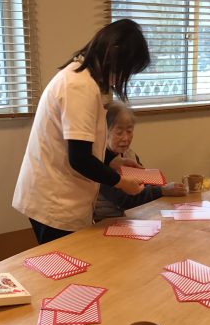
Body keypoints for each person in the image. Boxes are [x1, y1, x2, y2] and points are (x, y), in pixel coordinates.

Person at [13, 19, 151, 244]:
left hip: (58, 195)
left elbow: (84, 143)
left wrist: (113, 160)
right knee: (63, 260)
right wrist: (121, 182)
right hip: (55, 201)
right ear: (114, 56)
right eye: (124, 71)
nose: (119, 80)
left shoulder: (81, 79)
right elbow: (79, 158)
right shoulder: (79, 87)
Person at [93, 101, 187, 222]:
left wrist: (164, 187)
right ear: (104, 133)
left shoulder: (130, 154)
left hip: (130, 217)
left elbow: (144, 183)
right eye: (119, 132)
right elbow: (125, 199)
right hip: (105, 221)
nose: (125, 138)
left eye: (129, 131)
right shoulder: (98, 163)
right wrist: (162, 190)